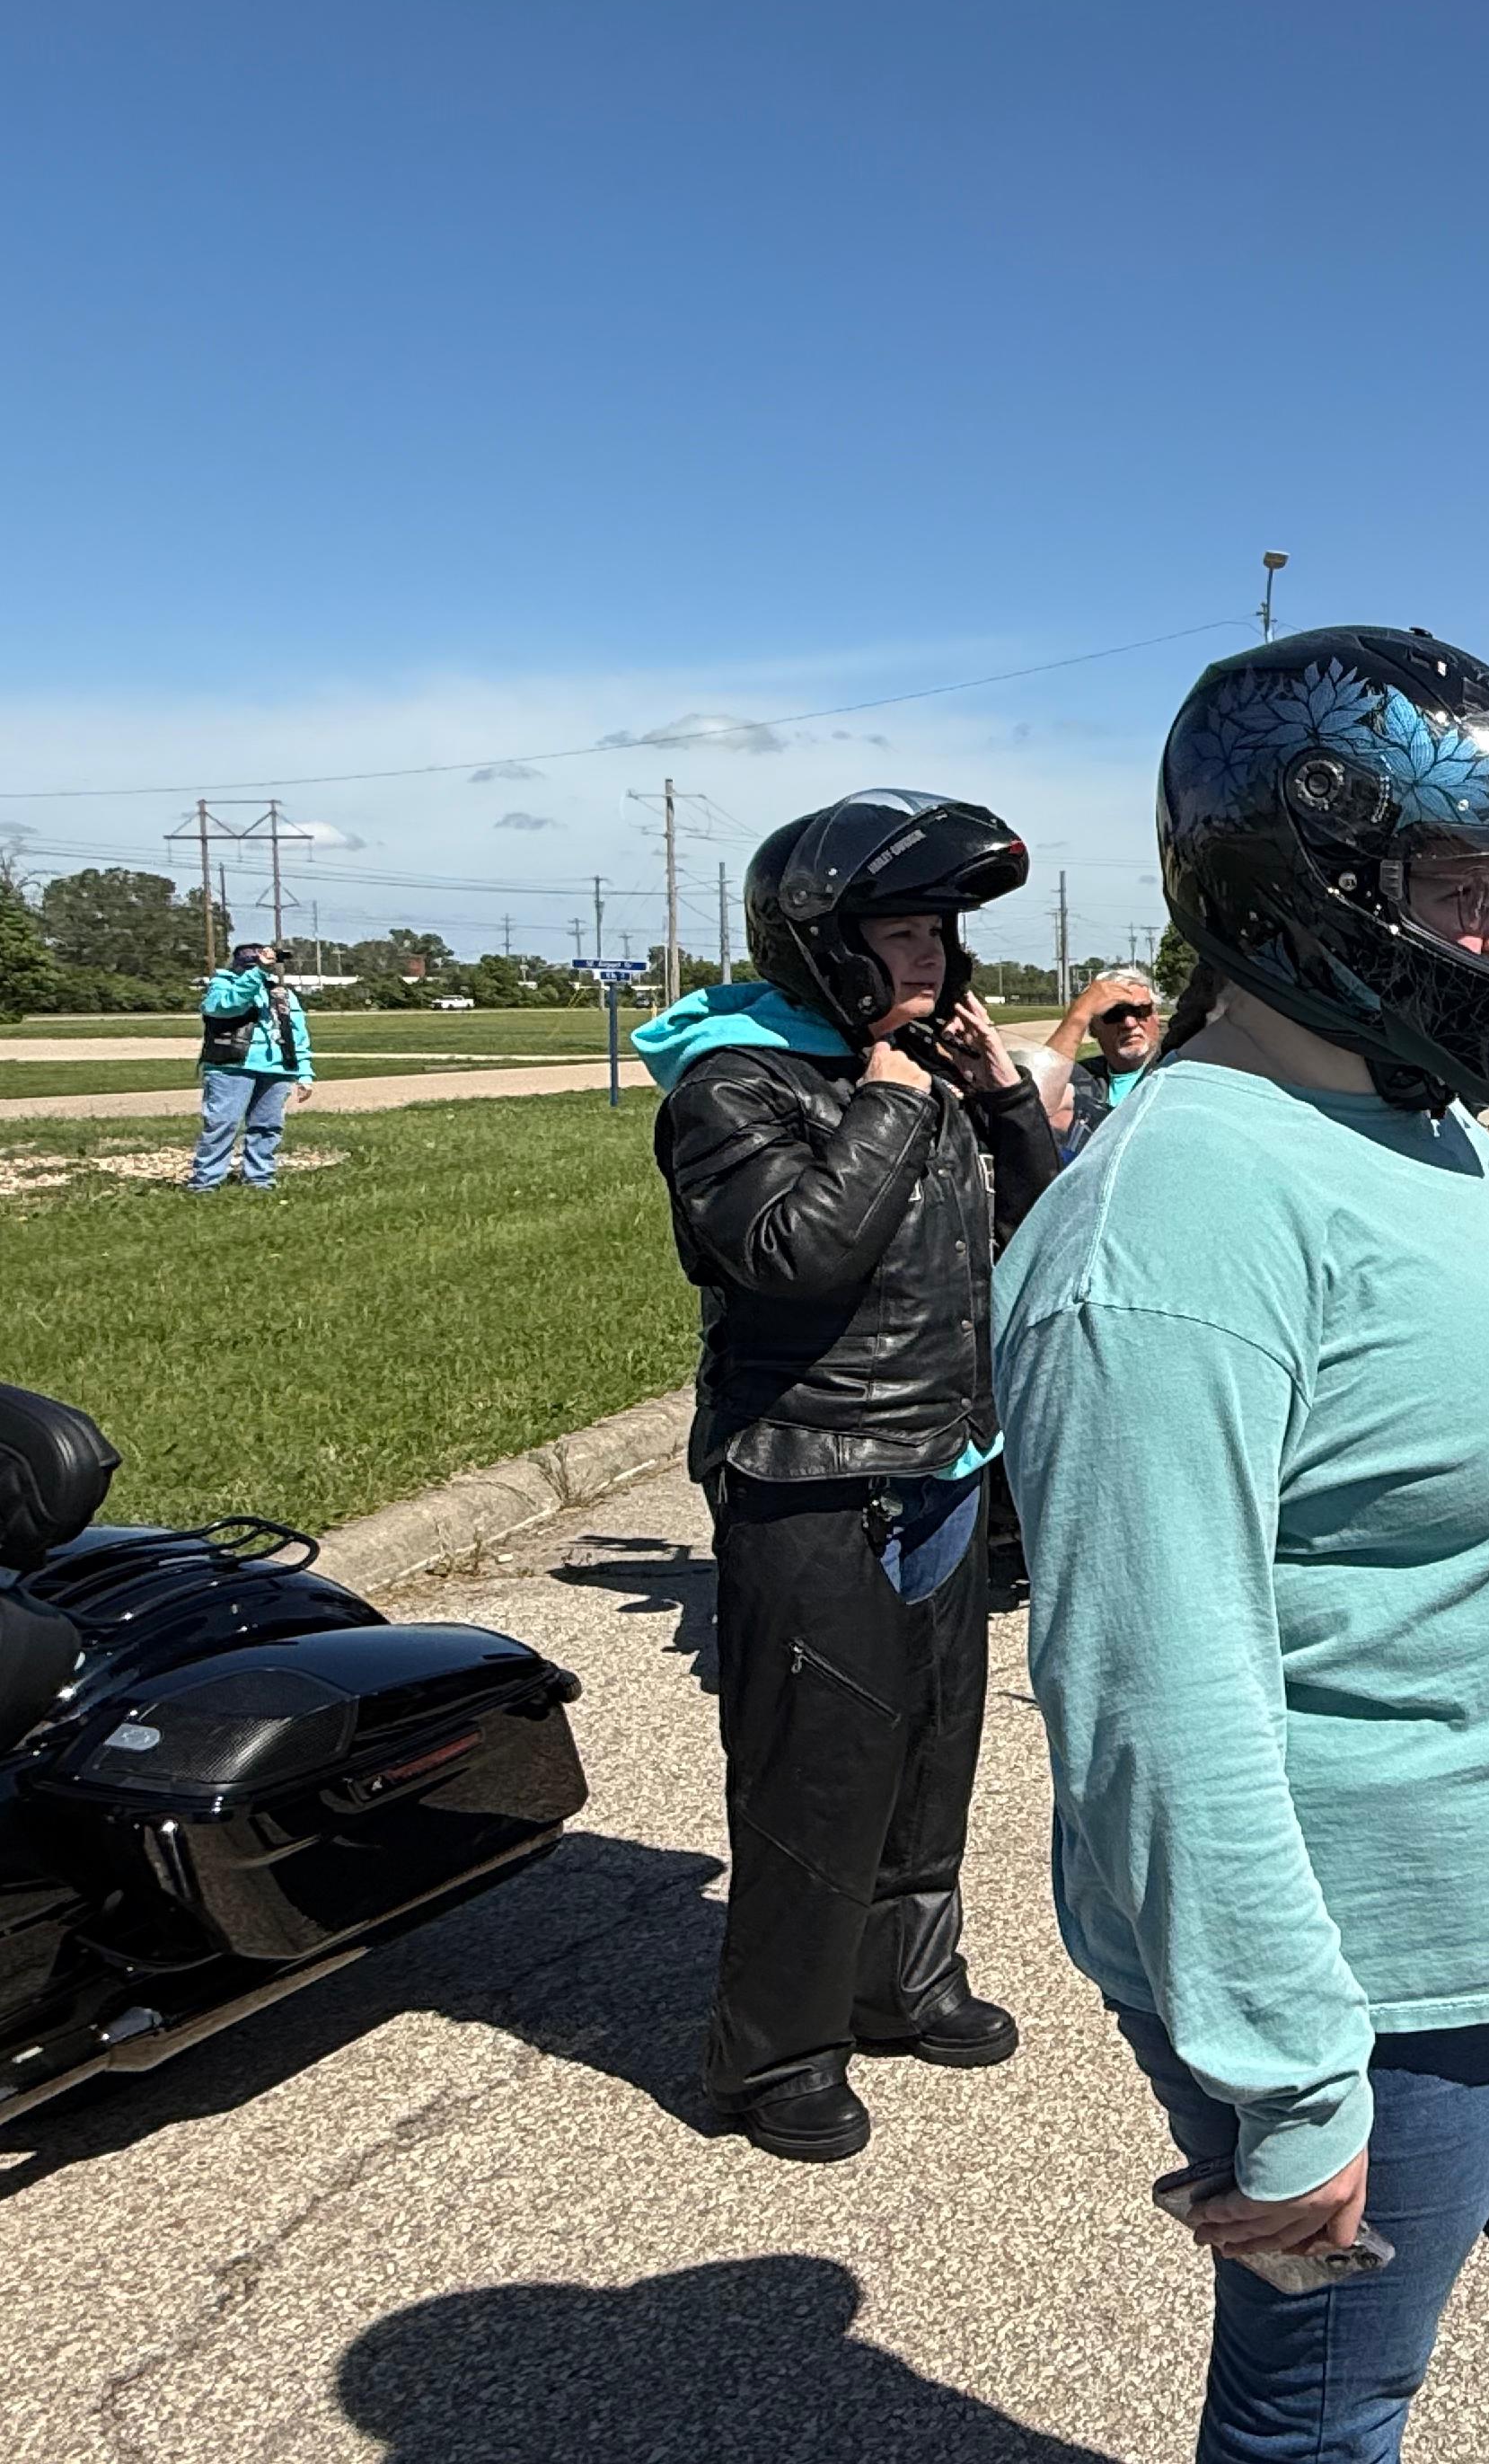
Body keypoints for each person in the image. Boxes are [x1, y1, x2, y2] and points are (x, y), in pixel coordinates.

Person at [991, 625, 1489, 2463]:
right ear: (1306, 872)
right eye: (1461, 882)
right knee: (1326, 2411)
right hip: (1379, 1983)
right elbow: (1153, 1693)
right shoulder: (1171, 1227)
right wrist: (1289, 2089)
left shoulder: (1405, 1113)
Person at [631, 789, 1054, 2164]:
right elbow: (793, 1254)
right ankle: (774, 2057)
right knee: (817, 1767)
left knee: (932, 1748)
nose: (930, 958)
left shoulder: (923, 1073)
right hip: (811, 1471)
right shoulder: (737, 1082)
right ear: (823, 940)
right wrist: (887, 1096)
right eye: (900, 931)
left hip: (943, 1460)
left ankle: (900, 1982)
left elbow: (1040, 1229)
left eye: (942, 933)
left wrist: (996, 1094)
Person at [189, 941, 313, 1191]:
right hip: (230, 1066)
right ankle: (204, 1183)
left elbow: (297, 1033)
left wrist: (304, 1071)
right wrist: (256, 974)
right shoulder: (223, 984)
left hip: (277, 1068)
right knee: (222, 1124)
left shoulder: (280, 993)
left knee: (267, 1127)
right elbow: (227, 1007)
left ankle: (259, 1179)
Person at [1048, 964, 1165, 1155]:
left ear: (1156, 1017)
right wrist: (1079, 1013)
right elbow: (1033, 1107)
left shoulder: (1176, 1068)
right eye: (1114, 1015)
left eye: (1140, 1011)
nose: (1129, 1023)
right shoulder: (1082, 1077)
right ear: (1092, 1028)